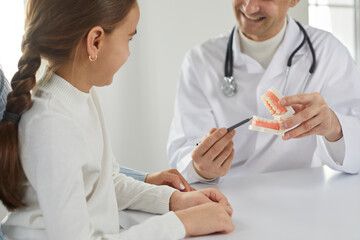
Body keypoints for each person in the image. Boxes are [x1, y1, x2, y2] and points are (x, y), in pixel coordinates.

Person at [0, 0, 235, 239]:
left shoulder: (80, 94)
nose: (129, 52)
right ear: (95, 41)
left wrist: (174, 200)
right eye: (129, 38)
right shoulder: (52, 125)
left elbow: (107, 182)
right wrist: (182, 224)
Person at [167, 0, 360, 184]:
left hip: (303, 196)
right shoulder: (201, 60)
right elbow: (183, 151)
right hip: (228, 198)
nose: (249, 8)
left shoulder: (327, 51)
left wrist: (336, 127)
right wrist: (200, 168)